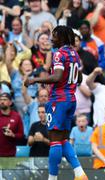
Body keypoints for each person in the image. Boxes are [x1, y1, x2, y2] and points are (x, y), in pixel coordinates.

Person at [24, 26, 87, 180]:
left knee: (54, 139)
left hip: (58, 100)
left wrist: (35, 79)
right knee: (63, 138)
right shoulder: (74, 53)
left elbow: (57, 76)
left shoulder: (59, 54)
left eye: (55, 36)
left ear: (63, 37)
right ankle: (79, 173)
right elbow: (78, 78)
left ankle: (52, 178)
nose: (52, 39)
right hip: (71, 99)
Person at [0, 92, 24, 157]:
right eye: (1, 99)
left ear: (10, 102)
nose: (2, 101)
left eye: (5, 100)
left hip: (10, 154)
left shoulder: (16, 116)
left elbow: (21, 135)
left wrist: (13, 135)